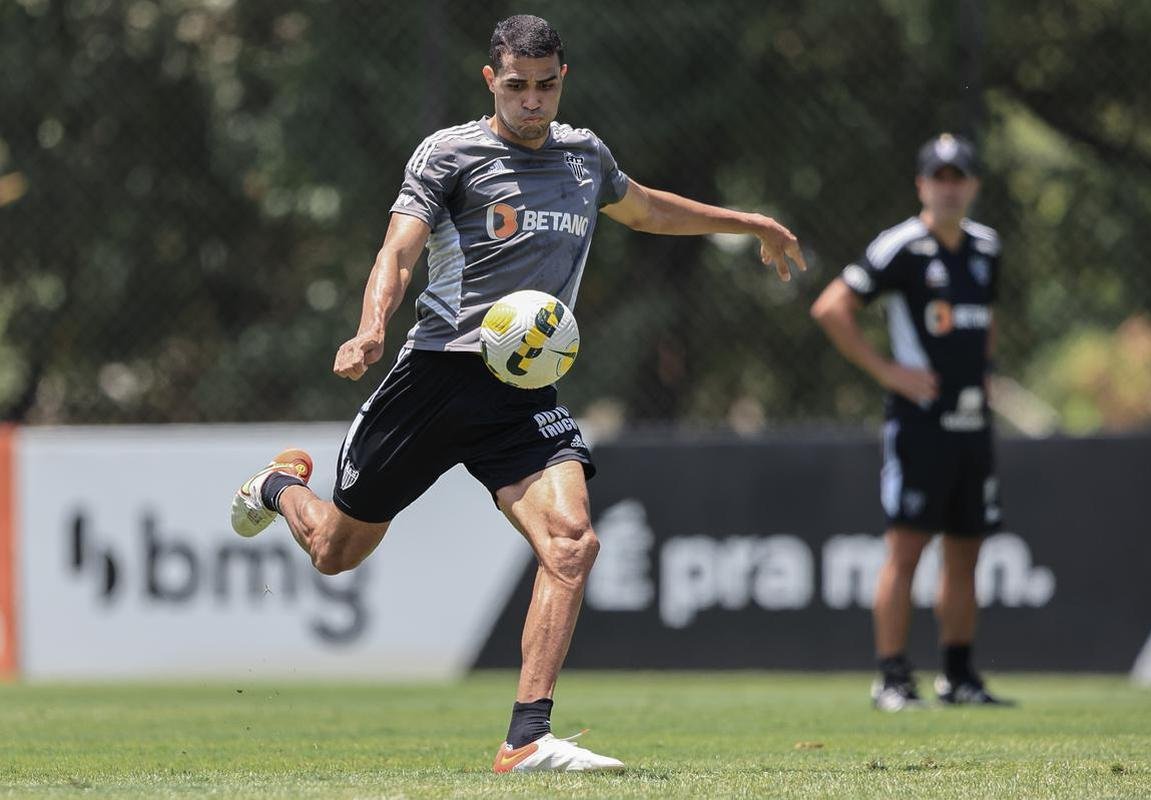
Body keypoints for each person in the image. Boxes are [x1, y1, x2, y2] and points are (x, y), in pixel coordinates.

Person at [230, 14, 806, 771]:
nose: (532, 101)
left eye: (545, 86)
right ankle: (277, 486)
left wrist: (748, 222)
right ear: (490, 81)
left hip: (524, 388)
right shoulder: (451, 154)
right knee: (336, 551)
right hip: (437, 377)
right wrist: (372, 328)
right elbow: (397, 251)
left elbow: (647, 209)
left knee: (572, 543)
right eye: (517, 87)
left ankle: (525, 739)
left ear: (562, 78)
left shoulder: (584, 157)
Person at [810, 133, 1012, 711]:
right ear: (922, 184)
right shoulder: (901, 246)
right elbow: (831, 307)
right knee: (906, 548)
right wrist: (888, 371)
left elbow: (987, 318)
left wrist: (986, 369)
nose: (949, 187)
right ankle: (892, 678)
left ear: (972, 184)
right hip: (920, 423)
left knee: (967, 549)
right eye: (938, 177)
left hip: (973, 421)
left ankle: (960, 676)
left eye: (959, 177)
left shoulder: (986, 247)